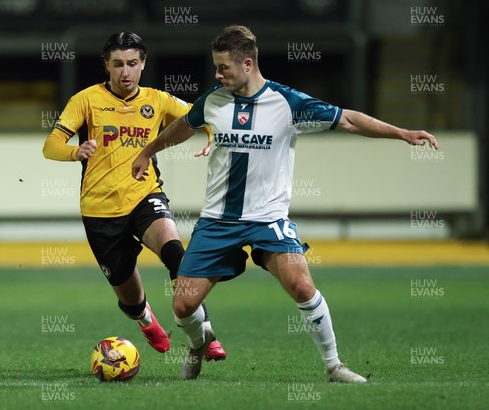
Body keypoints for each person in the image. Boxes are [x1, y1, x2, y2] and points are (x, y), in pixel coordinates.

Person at [132, 25, 439, 381]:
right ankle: (199, 342)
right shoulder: (213, 101)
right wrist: (149, 150)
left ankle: (334, 366)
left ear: (247, 64)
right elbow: (183, 126)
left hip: (268, 220)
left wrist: (401, 133)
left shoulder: (287, 103)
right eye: (215, 67)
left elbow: (349, 120)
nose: (217, 74)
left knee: (302, 286)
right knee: (183, 306)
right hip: (217, 221)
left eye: (223, 67)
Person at [43, 31, 226, 360]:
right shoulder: (86, 100)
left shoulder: (157, 100)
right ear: (106, 66)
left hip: (145, 196)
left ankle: (204, 333)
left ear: (143, 64)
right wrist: (76, 152)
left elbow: (201, 114)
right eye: (117, 64)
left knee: (176, 256)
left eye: (131, 64)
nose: (125, 71)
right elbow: (50, 145)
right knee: (131, 300)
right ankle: (146, 320)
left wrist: (211, 135)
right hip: (100, 211)